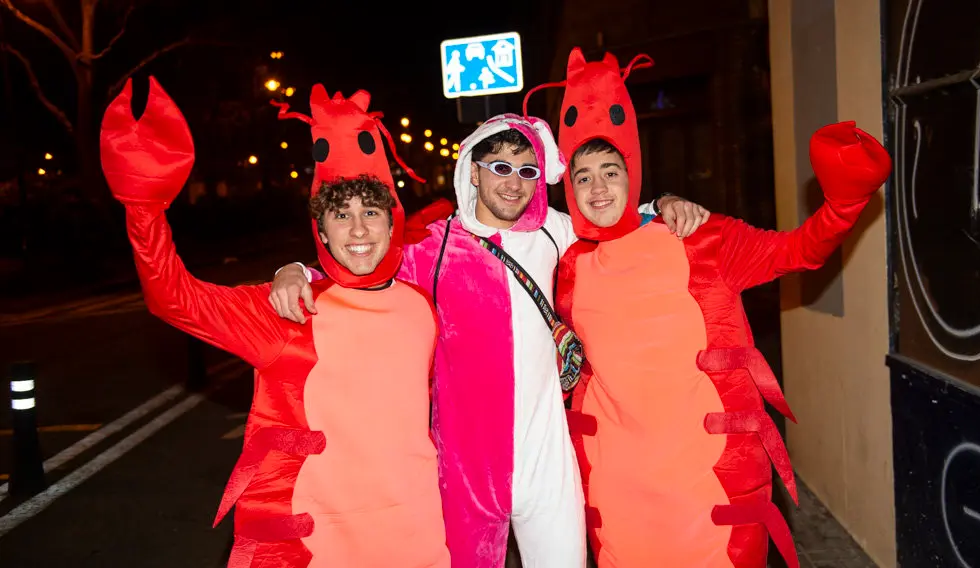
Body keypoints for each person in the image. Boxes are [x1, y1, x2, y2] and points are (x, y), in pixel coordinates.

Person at [270, 113, 710, 567]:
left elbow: (613, 218)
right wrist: (296, 270)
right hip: (465, 471)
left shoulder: (555, 231)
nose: (513, 182)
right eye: (499, 166)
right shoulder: (433, 247)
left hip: (548, 461)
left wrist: (663, 202)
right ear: (473, 172)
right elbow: (362, 266)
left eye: (526, 170)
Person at [534, 47, 892, 568]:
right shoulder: (566, 266)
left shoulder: (703, 239)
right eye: (583, 176)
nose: (597, 188)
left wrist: (843, 205)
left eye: (610, 170)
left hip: (707, 491)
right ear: (568, 186)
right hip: (619, 490)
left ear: (632, 171)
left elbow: (798, 251)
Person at [100, 77, 449, 568]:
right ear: (320, 231)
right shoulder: (288, 310)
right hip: (321, 544)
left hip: (419, 535)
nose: (358, 230)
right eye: (339, 214)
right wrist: (143, 207)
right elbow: (173, 297)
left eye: (371, 211)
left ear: (393, 221)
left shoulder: (422, 307)